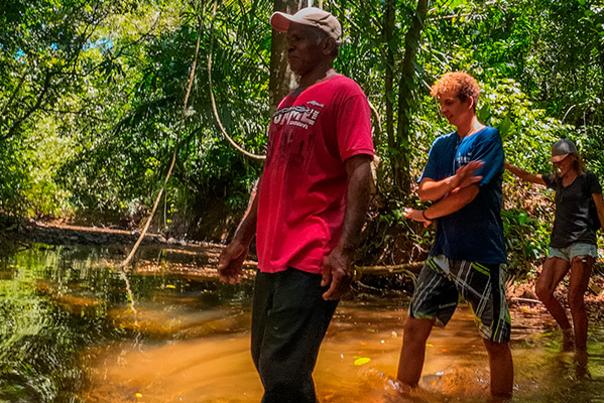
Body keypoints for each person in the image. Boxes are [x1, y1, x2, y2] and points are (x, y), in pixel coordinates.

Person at [217, 7, 375, 403]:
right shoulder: (288, 103)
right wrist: (241, 240)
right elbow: (270, 176)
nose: (290, 42)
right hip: (273, 255)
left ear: (326, 46)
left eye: (300, 36)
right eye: (289, 35)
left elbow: (361, 171)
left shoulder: (345, 93)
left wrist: (344, 252)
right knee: (268, 362)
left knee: (283, 370)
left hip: (312, 253)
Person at [398, 72, 513, 399]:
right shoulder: (442, 145)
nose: (443, 110)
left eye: (449, 103)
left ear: (469, 101)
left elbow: (470, 194)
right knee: (413, 329)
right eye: (440, 104)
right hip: (442, 255)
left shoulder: (488, 138)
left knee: (495, 341)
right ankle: (403, 395)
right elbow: (424, 190)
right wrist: (451, 182)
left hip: (482, 256)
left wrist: (428, 214)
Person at [505, 139, 604, 365]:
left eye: (561, 160)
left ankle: (581, 354)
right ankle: (567, 332)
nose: (558, 165)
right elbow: (528, 177)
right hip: (558, 244)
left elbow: (600, 208)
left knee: (574, 298)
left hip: (582, 242)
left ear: (572, 158)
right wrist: (507, 165)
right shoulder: (557, 181)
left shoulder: (588, 180)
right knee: (542, 290)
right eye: (555, 161)